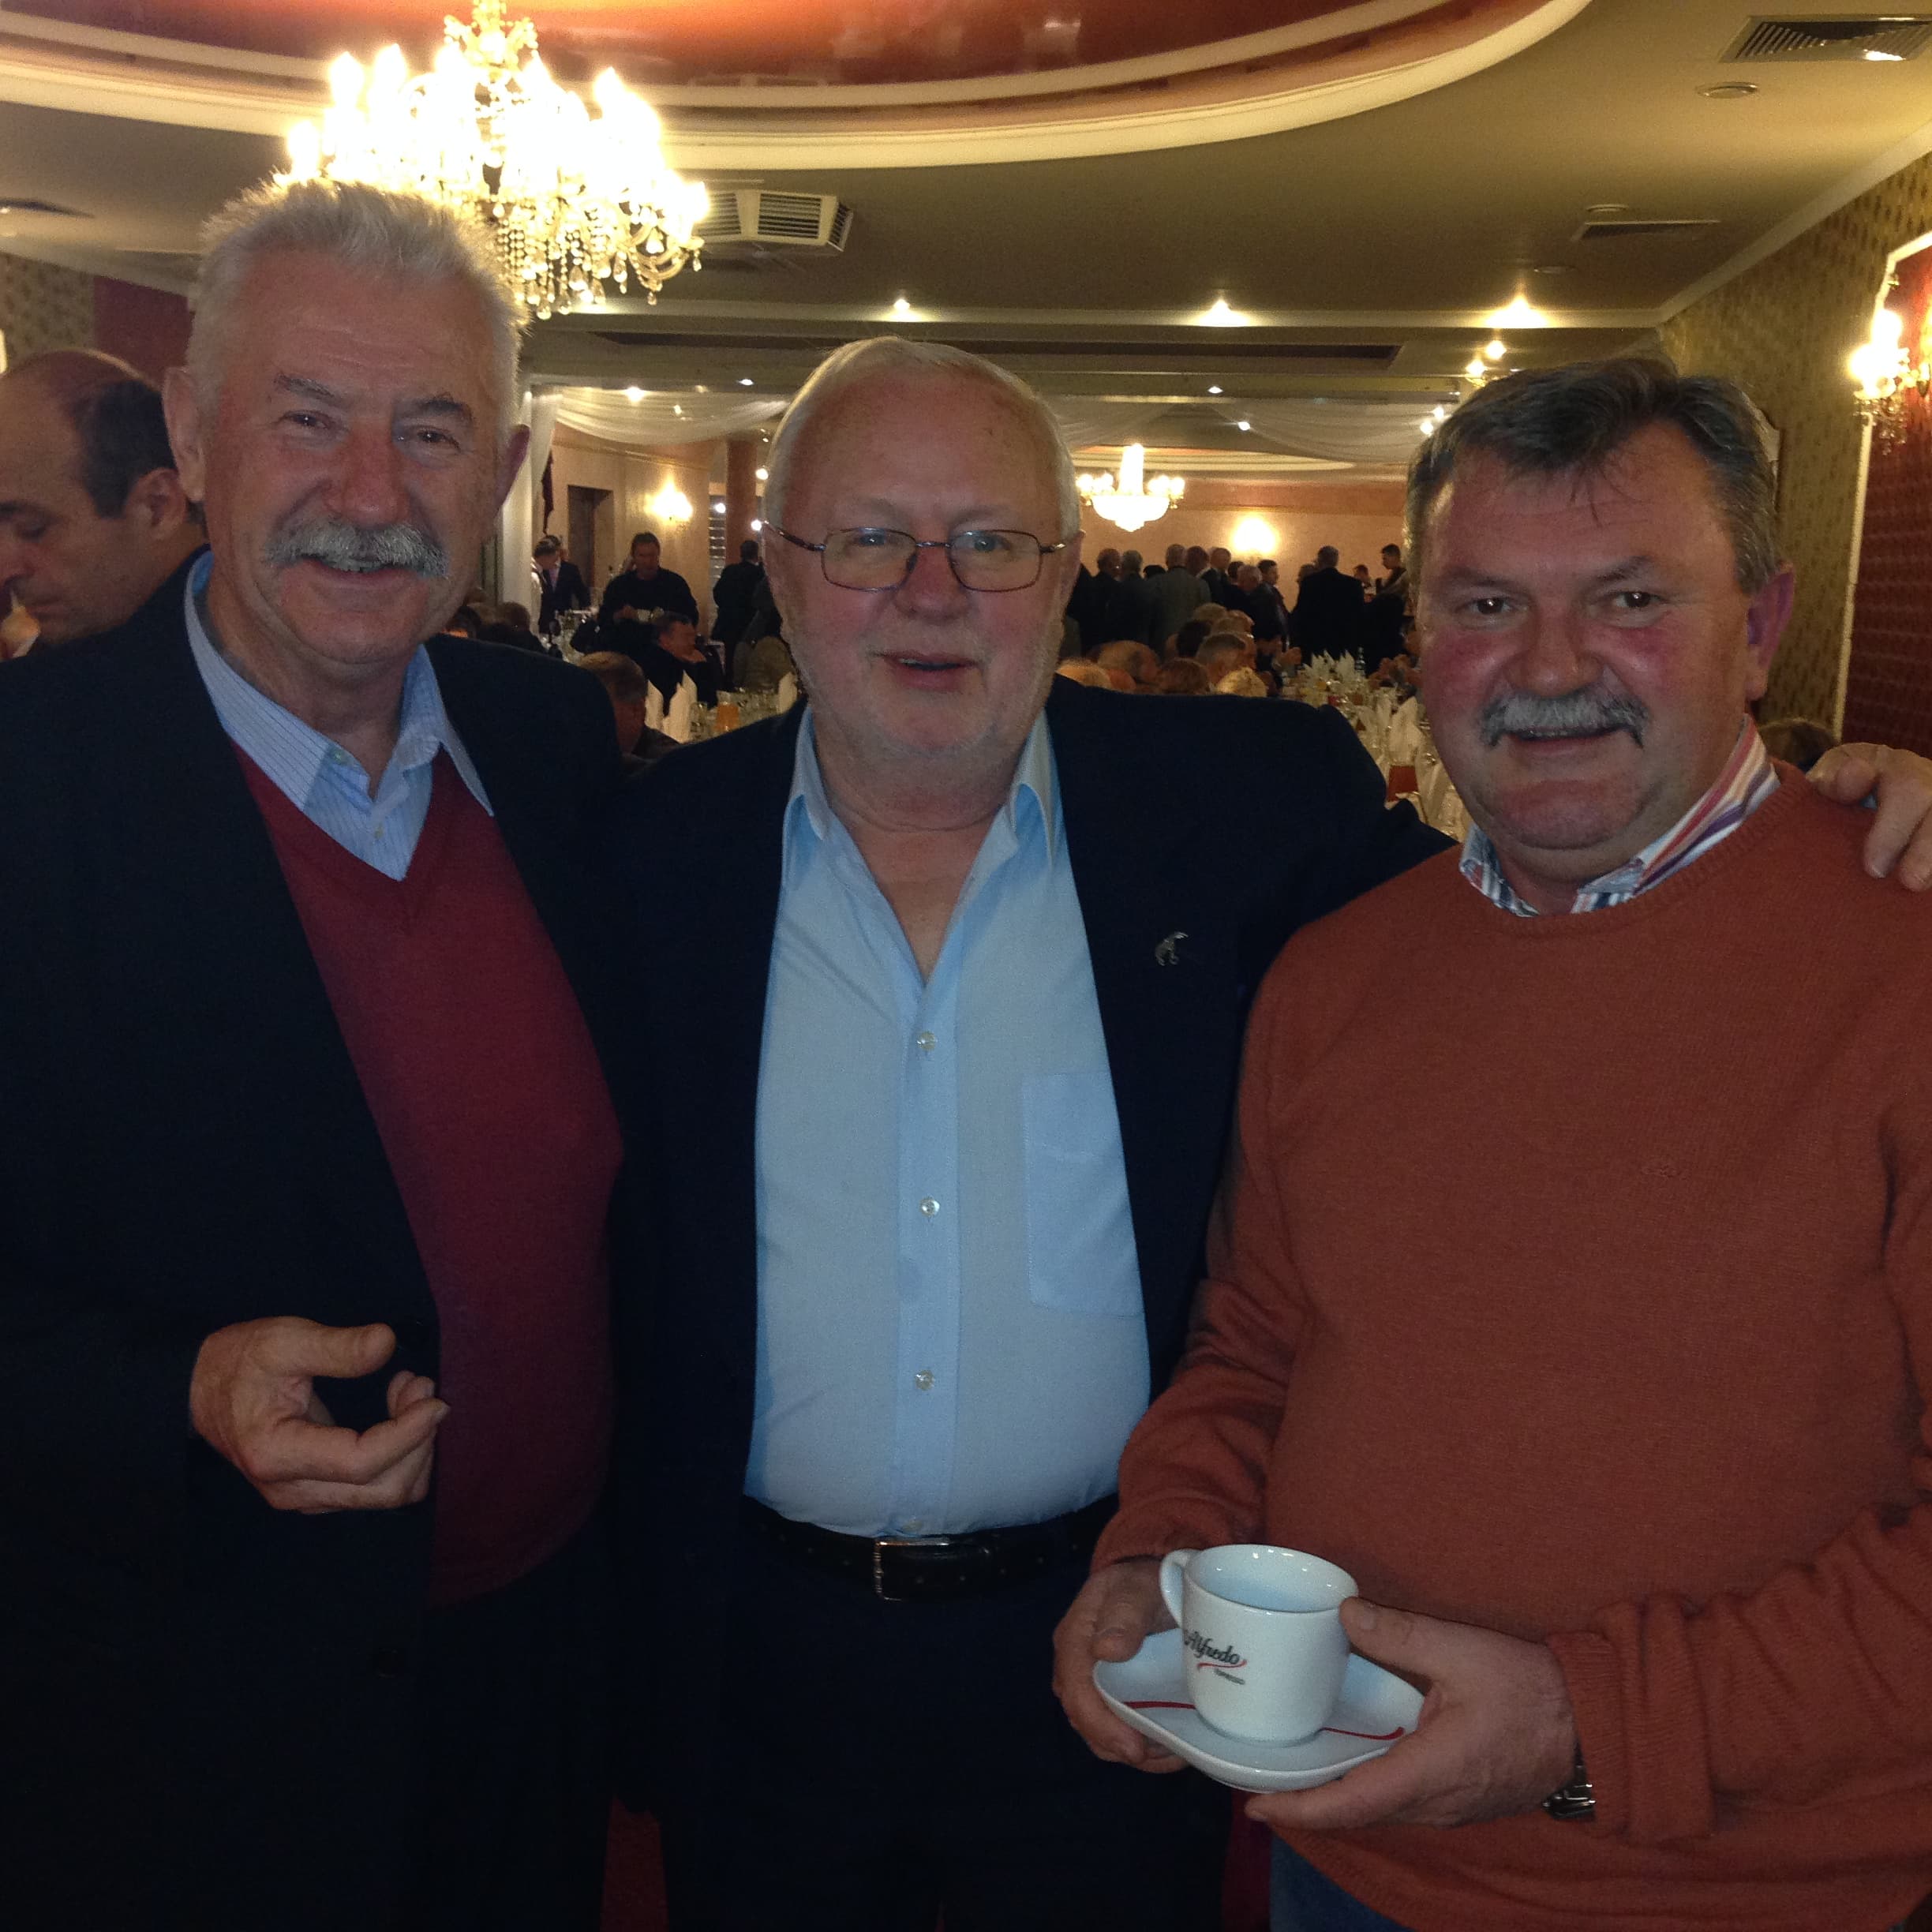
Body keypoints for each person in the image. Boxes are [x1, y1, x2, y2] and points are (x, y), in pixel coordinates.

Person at [1055, 358, 1932, 1932]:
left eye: (1630, 597)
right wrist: (1167, 1546)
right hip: (1347, 1862)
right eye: (1481, 607)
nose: (1550, 666)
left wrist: (1588, 1725)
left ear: (1769, 623)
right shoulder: (1338, 974)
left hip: (1740, 1892)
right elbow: (1257, 1344)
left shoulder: (1904, 962)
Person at [603, 335, 1453, 1932]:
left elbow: (1537, 918)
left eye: (992, 541)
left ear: (1065, 576)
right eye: (869, 539)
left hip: (1118, 1641)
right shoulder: (644, 859)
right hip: (754, 1656)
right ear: (780, 574)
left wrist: (1799, 831)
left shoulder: (1252, 807)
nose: (934, 592)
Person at [0, 179, 637, 1932]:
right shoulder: (27, 791)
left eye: (429, 431)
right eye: (306, 420)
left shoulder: (548, 741)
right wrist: (175, 1395)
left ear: (501, 479)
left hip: (535, 1673)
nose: (371, 495)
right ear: (194, 443)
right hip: (176, 1726)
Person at [0, 347, 204, 649]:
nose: (6, 571)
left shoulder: (264, 668)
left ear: (158, 506)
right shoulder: (46, 666)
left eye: (33, 529)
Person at [577, 648, 679, 773]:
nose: (582, 721)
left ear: (636, 710)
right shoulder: (567, 756)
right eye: (578, 708)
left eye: (596, 711)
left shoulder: (670, 769)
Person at [599, 528, 698, 633]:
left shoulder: (674, 584)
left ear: (658, 555)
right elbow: (603, 619)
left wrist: (667, 620)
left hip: (665, 645)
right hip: (625, 644)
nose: (647, 561)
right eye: (642, 556)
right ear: (633, 557)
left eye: (651, 555)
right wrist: (621, 615)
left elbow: (692, 617)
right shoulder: (619, 586)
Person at [1293, 545, 1365, 661]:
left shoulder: (1309, 583)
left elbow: (1302, 615)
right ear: (1336, 561)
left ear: (1319, 560)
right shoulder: (1353, 584)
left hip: (1316, 644)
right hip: (1344, 645)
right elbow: (1360, 616)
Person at [1145, 538, 1207, 651]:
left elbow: (1148, 614)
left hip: (1161, 640)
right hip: (1193, 641)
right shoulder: (1201, 585)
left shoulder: (1154, 583)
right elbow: (1206, 616)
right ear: (1186, 561)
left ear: (1167, 561)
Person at [710, 537, 765, 650]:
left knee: (730, 657)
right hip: (749, 624)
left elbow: (718, 593)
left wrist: (726, 607)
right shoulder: (758, 574)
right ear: (756, 555)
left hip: (729, 622)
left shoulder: (730, 571)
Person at [533, 533, 590, 631]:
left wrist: (586, 609)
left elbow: (581, 592)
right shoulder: (541, 568)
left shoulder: (570, 569)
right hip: (544, 618)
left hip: (564, 616)